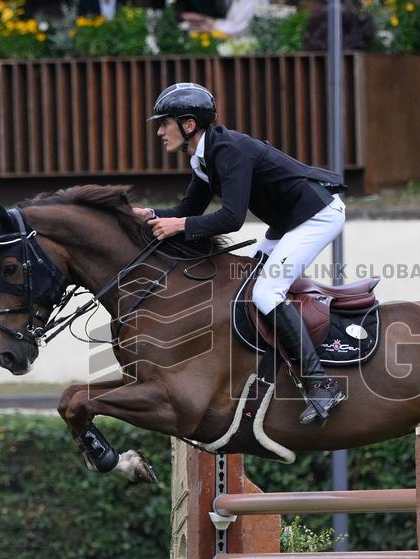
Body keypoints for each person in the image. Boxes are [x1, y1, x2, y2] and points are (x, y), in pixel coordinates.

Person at [132, 82, 347, 425]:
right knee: (246, 287)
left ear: (188, 125)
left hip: (316, 217)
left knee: (266, 291)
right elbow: (187, 209)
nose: (159, 131)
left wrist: (177, 225)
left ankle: (321, 385)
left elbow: (231, 218)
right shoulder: (205, 157)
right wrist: (151, 215)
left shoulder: (228, 151)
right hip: (289, 223)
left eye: (164, 123)